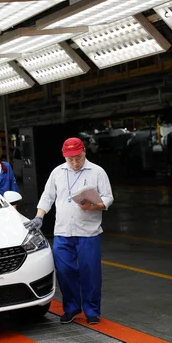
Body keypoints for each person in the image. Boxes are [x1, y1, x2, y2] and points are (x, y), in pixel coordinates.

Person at [24, 137, 113, 325]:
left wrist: (94, 206)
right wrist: (39, 217)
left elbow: (108, 197)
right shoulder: (57, 172)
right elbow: (47, 196)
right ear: (64, 157)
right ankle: (72, 308)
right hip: (63, 231)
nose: (74, 163)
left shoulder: (97, 172)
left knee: (90, 272)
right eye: (70, 159)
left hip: (88, 232)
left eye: (78, 158)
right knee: (65, 271)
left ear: (84, 153)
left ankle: (91, 310)